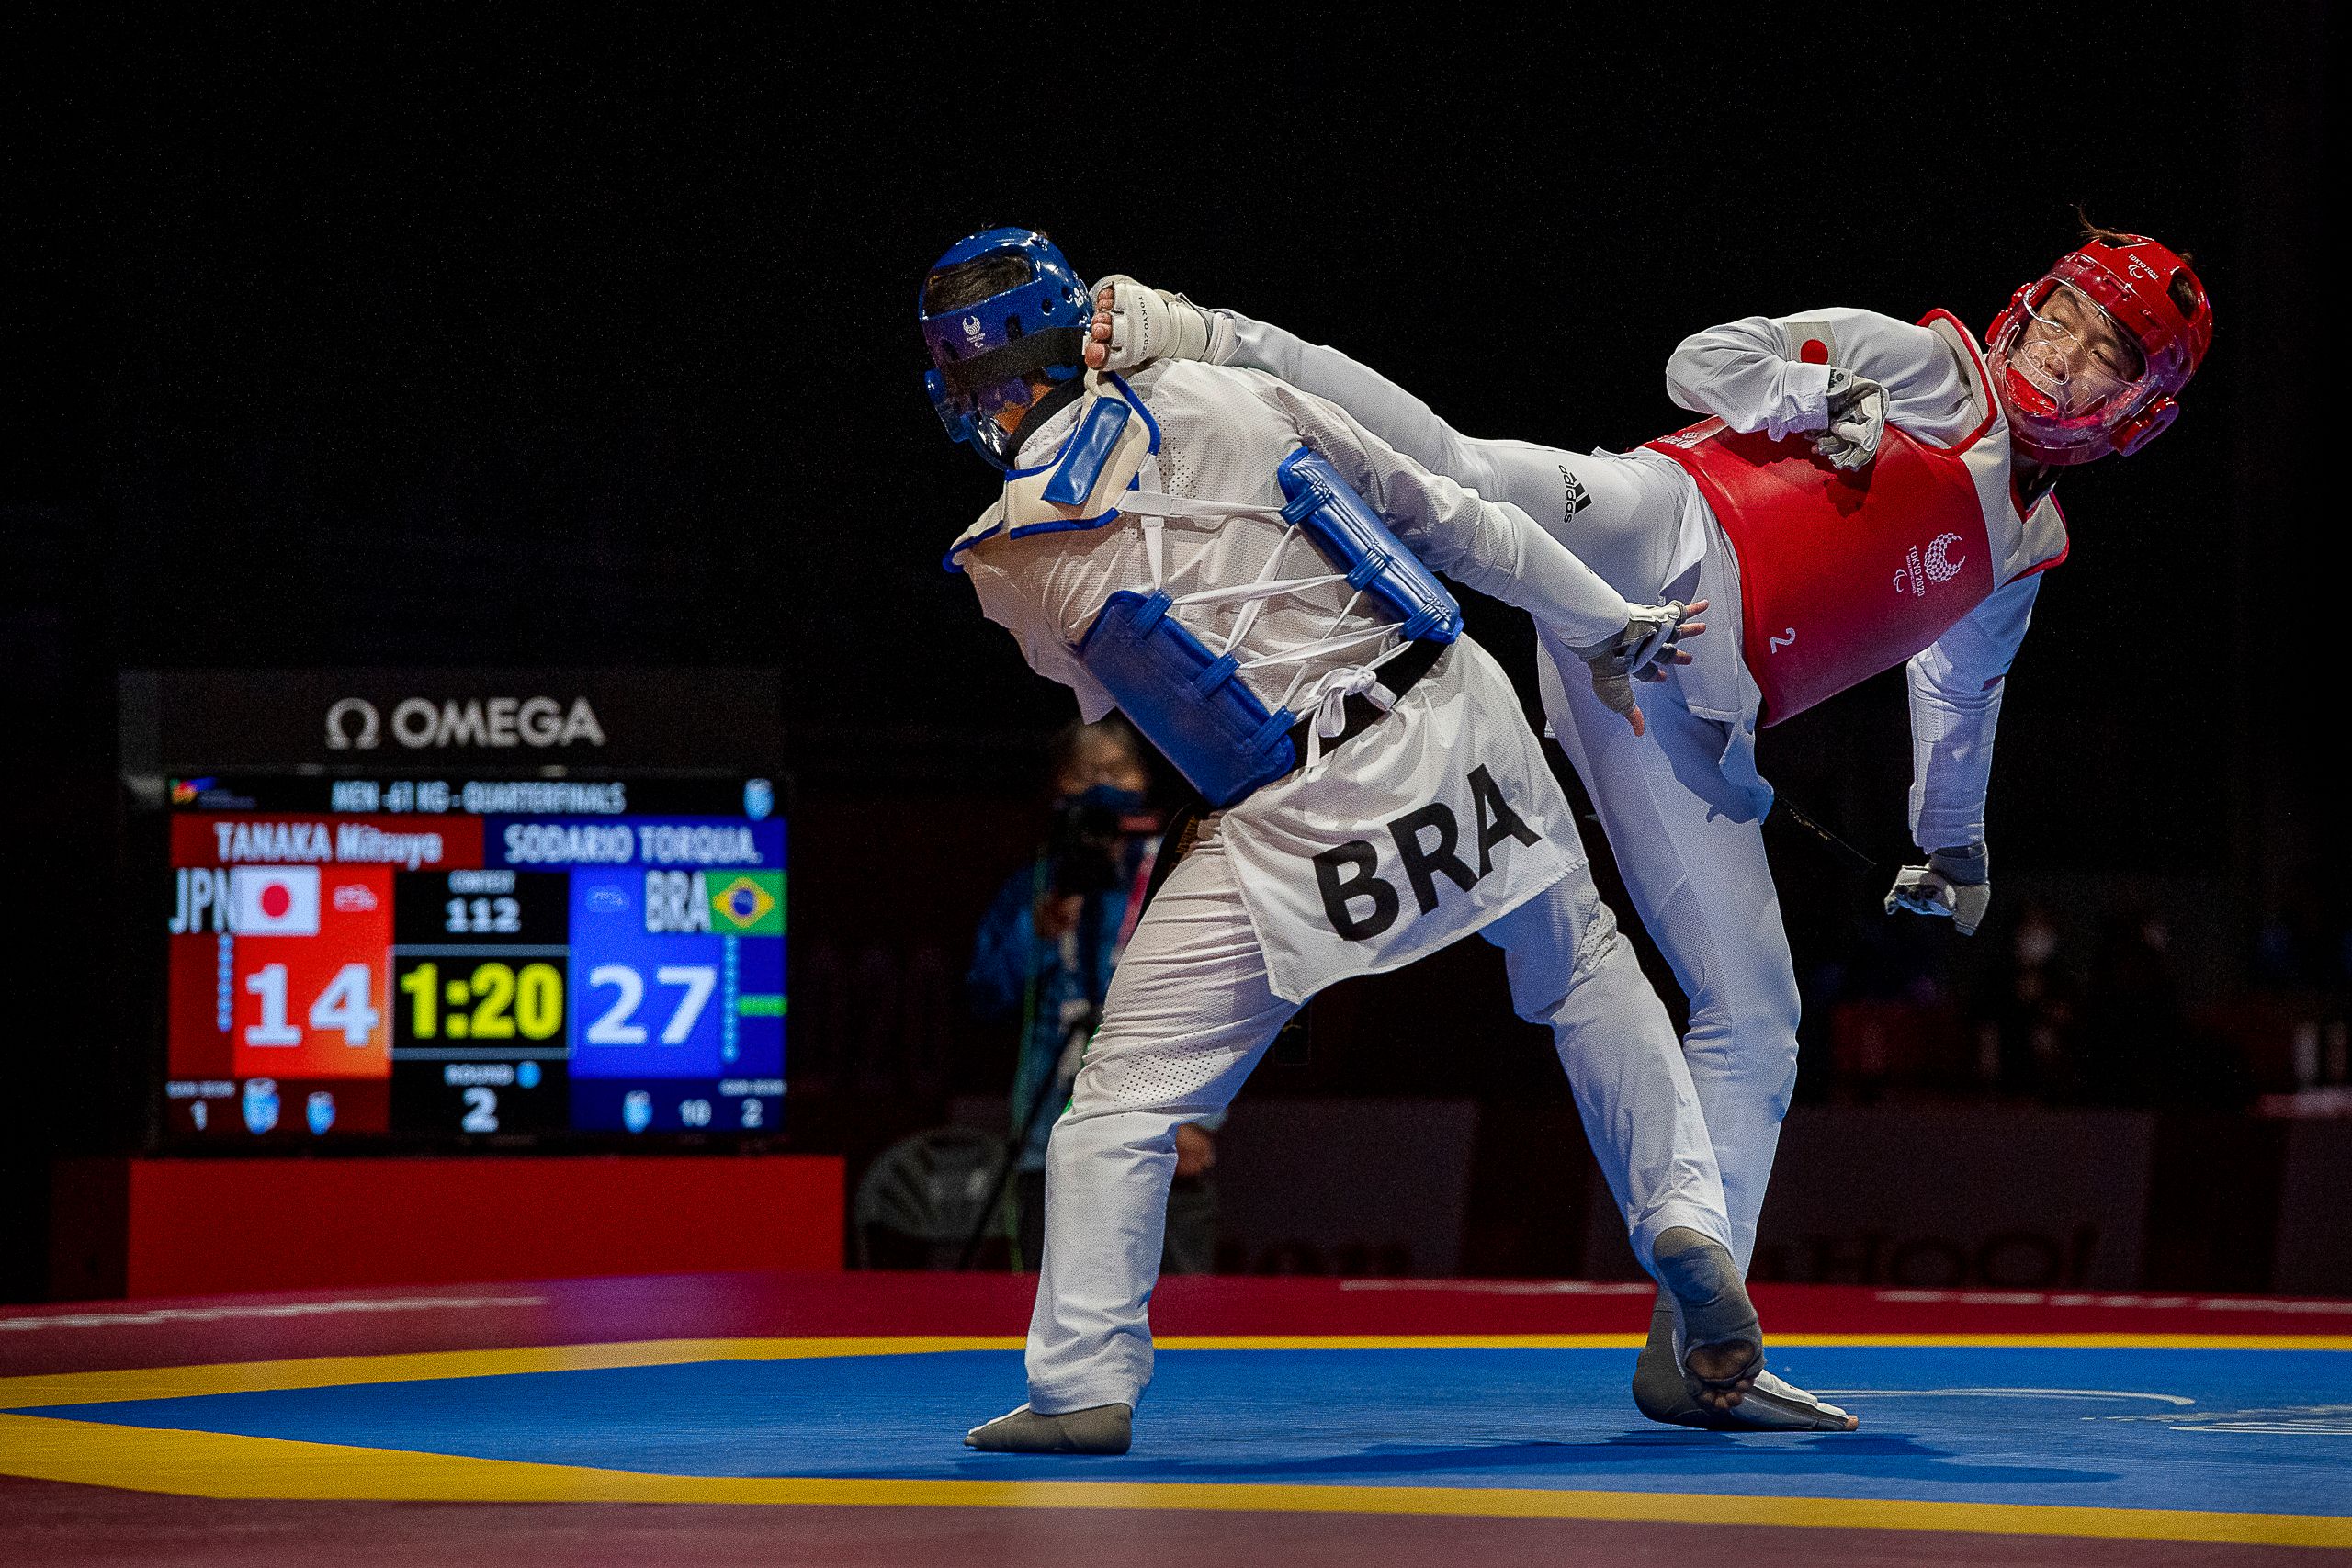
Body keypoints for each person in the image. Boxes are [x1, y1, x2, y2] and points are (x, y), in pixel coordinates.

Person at [1087, 221, 2212, 1429]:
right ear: (2026, 302)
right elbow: (1701, 360)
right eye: (2064, 318)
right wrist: (1813, 392)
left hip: (1687, 711)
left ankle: (1699, 1349)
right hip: (1657, 532)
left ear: (2138, 415)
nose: (2062, 353)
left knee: (1760, 1014)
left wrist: (1956, 849)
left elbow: (1958, 694)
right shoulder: (1935, 369)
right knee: (1461, 467)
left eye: (2104, 353)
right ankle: (1194, 332)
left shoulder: (2025, 547)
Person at [920, 226, 1826, 1455]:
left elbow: (1151, 698)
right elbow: (1457, 518)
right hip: (1454, 709)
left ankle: (1082, 1382)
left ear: (970, 388)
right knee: (1586, 968)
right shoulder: (1228, 387)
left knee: (1122, 1102)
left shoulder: (1004, 550)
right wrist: (1610, 623)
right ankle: (1686, 1222)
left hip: (1293, 811)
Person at [967, 717, 1220, 1273]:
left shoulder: (1181, 874)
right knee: (1042, 1303)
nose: (1101, 783)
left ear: (1145, 779)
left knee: (1181, 1320)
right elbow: (986, 997)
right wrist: (1034, 932)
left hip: (1162, 1123)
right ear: (1057, 785)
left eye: (1116, 768)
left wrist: (1203, 1119)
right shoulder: (1034, 885)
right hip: (1047, 1131)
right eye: (1084, 771)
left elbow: (1225, 996)